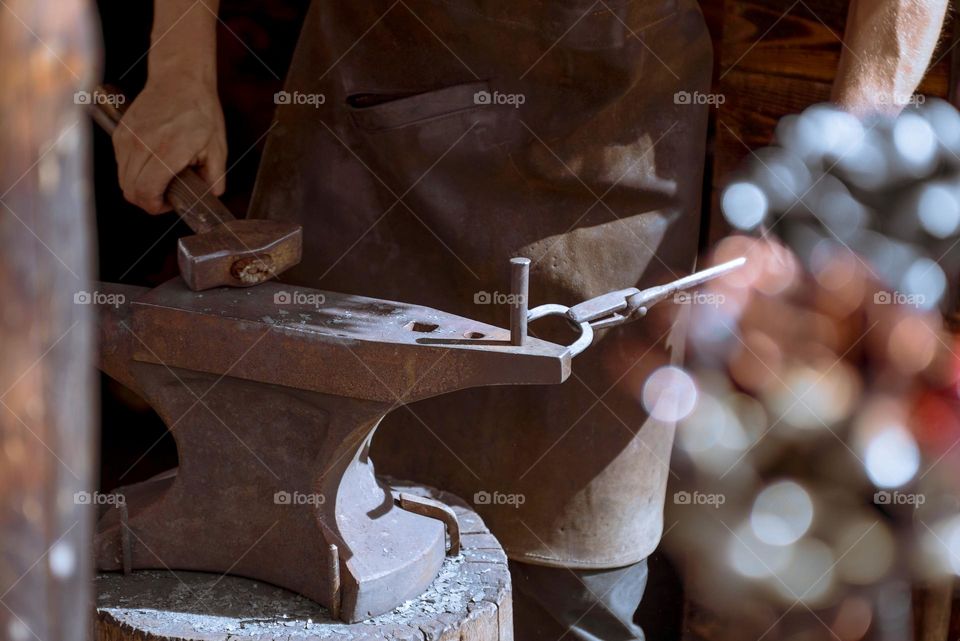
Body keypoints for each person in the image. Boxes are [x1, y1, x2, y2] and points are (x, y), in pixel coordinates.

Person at [111, 1, 948, 638]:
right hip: (368, 118)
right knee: (296, 556)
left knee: (575, 584)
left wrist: (850, 144)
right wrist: (180, 64)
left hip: (617, 144)